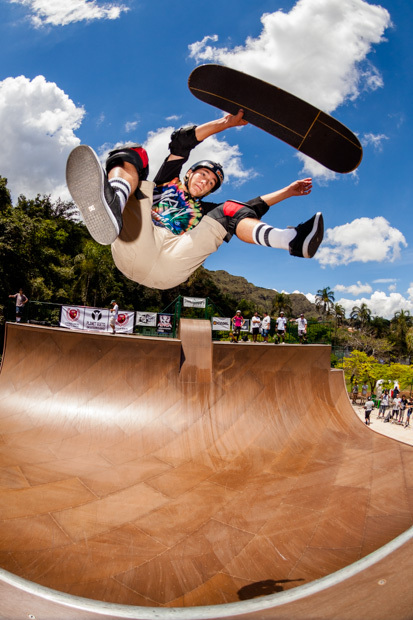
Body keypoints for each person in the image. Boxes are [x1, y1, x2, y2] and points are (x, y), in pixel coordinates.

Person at [66, 110, 324, 291]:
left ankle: (291, 241)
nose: (205, 182)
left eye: (211, 183)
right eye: (203, 174)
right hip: (138, 243)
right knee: (135, 154)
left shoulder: (208, 210)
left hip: (173, 265)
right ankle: (115, 201)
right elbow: (181, 142)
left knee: (232, 210)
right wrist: (225, 123)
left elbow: (254, 206)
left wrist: (288, 192)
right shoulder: (168, 181)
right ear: (189, 173)